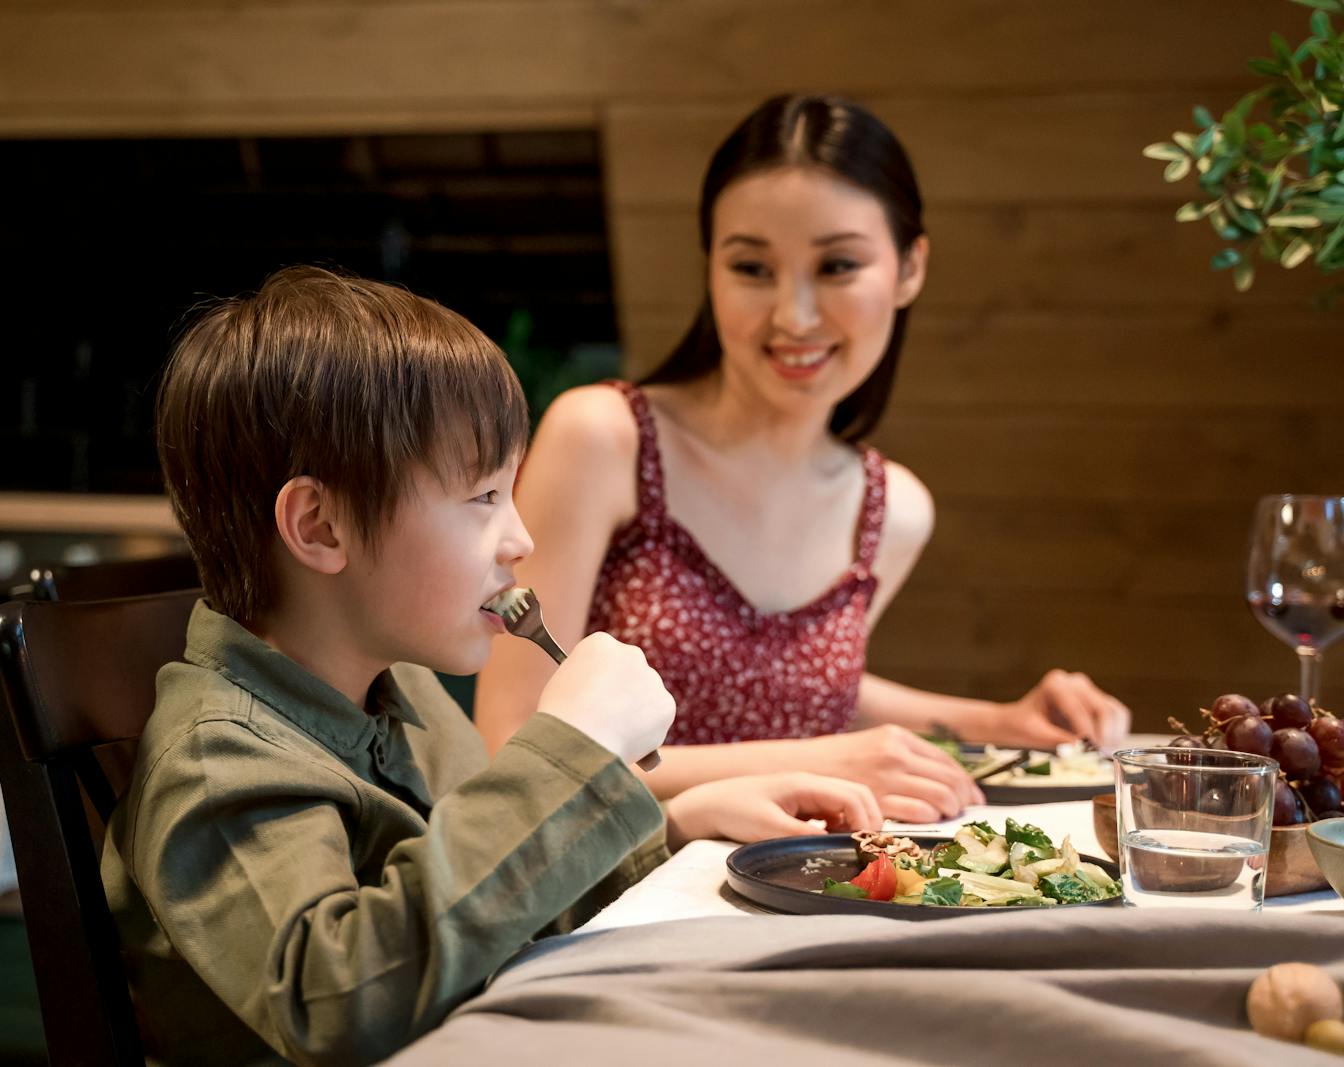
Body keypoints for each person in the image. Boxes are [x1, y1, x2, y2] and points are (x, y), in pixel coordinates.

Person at [99, 267, 881, 1067]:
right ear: (321, 524)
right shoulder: (217, 758)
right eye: (481, 497)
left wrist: (678, 823)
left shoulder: (400, 690)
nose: (520, 538)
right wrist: (570, 749)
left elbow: (492, 895)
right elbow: (340, 1001)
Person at [473, 95, 1131, 824]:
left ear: (911, 267)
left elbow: (786, 680)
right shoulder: (605, 438)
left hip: (802, 887)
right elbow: (515, 747)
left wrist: (999, 720)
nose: (795, 315)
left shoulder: (893, 508)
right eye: (752, 267)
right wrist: (818, 757)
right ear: (710, 269)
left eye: (838, 264)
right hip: (609, 902)